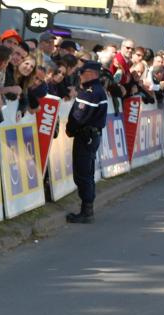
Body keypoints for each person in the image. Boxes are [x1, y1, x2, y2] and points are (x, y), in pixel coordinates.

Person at [65, 61, 107, 224]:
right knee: (86, 172)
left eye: (82, 72)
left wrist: (70, 129)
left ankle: (86, 211)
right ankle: (87, 209)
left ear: (91, 73)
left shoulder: (90, 92)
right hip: (91, 136)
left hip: (85, 136)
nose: (79, 75)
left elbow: (79, 116)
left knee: (83, 173)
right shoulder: (97, 90)